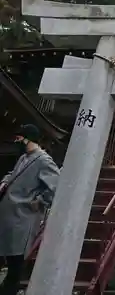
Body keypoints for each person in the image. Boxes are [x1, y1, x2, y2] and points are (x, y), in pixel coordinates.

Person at [0, 124, 60, 295]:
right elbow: (12, 174)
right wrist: (5, 182)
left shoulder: (43, 160)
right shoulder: (23, 158)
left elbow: (56, 184)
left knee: (16, 262)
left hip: (22, 217)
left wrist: (40, 201)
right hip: (9, 214)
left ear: (28, 139)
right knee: (9, 257)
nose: (16, 142)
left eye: (19, 139)